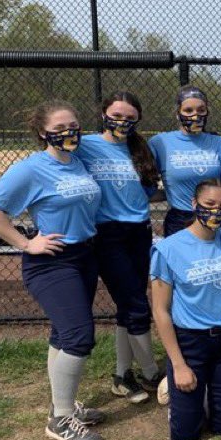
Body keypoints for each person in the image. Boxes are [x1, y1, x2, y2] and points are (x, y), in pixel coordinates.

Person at [0, 100, 105, 440]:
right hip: (52, 260)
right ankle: (61, 419)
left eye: (74, 125)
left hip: (84, 256)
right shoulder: (31, 169)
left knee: (63, 334)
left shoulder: (78, 161)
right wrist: (25, 242)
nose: (69, 133)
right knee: (79, 336)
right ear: (42, 133)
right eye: (60, 128)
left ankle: (62, 403)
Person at [76, 91, 163, 404]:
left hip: (138, 231)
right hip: (105, 233)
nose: (122, 122)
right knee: (137, 305)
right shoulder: (86, 145)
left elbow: (149, 190)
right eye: (116, 115)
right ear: (103, 113)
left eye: (129, 117)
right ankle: (152, 372)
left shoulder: (141, 149)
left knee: (130, 306)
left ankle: (122, 374)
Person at [149, 178, 221, 440]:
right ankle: (177, 385)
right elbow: (160, 310)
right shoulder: (168, 249)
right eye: (209, 204)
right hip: (191, 341)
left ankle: (206, 393)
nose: (216, 211)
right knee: (184, 437)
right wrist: (179, 365)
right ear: (194, 204)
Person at [149, 86, 221, 237]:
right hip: (180, 219)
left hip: (215, 216)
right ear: (178, 113)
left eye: (201, 110)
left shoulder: (219, 142)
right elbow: (145, 180)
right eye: (188, 110)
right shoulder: (160, 142)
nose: (195, 115)